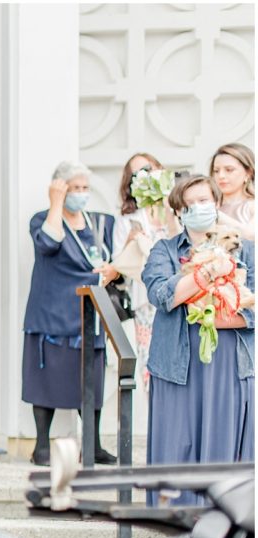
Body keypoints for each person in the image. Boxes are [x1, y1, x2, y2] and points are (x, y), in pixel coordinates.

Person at [141, 175, 254, 506]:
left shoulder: (246, 250)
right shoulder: (163, 251)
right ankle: (174, 523)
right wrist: (205, 273)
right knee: (180, 442)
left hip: (229, 363)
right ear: (178, 212)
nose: (198, 209)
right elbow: (163, 296)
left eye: (204, 201)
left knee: (224, 444)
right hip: (178, 364)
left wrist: (214, 315)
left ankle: (226, 522)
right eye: (189, 205)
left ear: (217, 203)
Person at [22, 161, 119, 467]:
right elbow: (48, 244)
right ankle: (41, 446)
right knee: (45, 379)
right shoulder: (43, 220)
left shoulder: (99, 222)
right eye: (73, 188)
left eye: (84, 188)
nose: (80, 194)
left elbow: (113, 260)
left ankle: (93, 444)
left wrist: (111, 269)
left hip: (90, 311)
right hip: (52, 312)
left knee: (91, 379)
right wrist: (56, 203)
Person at [111, 152, 180, 390]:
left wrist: (170, 212)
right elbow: (118, 264)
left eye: (149, 169)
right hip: (146, 301)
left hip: (182, 294)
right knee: (150, 366)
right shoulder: (129, 220)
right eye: (137, 173)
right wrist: (133, 240)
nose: (145, 176)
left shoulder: (178, 208)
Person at [211, 143, 255, 241]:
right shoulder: (209, 204)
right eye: (216, 171)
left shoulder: (253, 205)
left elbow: (252, 236)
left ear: (248, 173)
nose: (221, 176)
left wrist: (216, 216)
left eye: (229, 170)